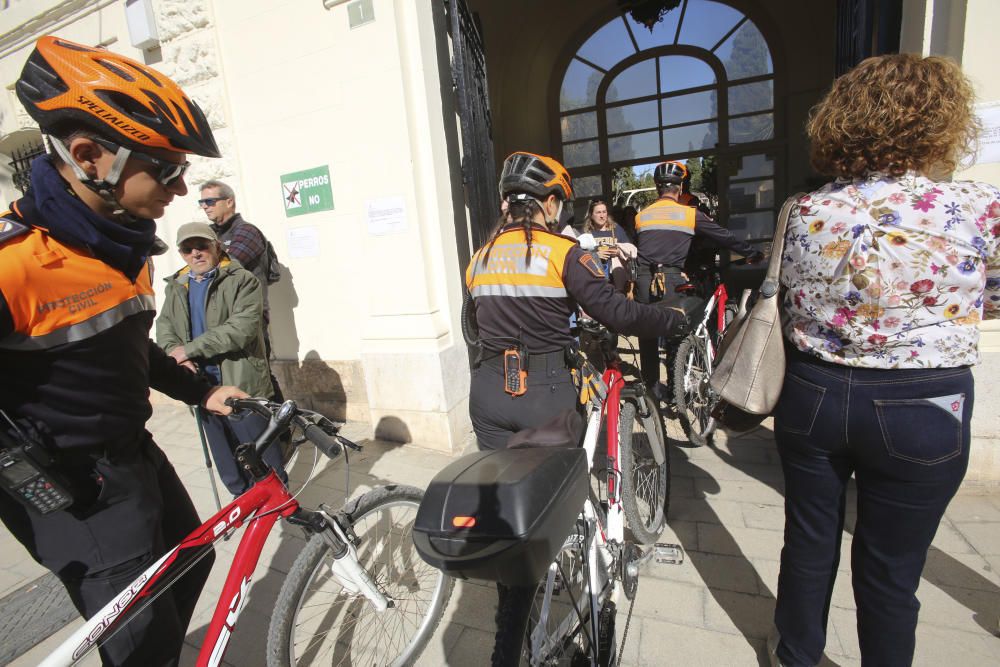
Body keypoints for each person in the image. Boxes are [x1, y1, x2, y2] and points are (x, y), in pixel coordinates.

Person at [0, 36, 245, 665]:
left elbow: (132, 351)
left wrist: (201, 389)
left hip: (135, 456)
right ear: (89, 156)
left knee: (194, 561)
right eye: (166, 168)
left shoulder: (123, 248)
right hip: (74, 489)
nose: (184, 187)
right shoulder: (14, 266)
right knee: (141, 643)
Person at [770, 54, 1000, 667]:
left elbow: (791, 298)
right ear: (941, 125)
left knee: (808, 544)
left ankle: (796, 656)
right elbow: (992, 294)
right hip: (924, 402)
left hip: (813, 392)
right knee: (891, 570)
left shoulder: (805, 210)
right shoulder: (979, 208)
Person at [466, 151, 688, 450]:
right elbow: (618, 313)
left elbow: (472, 325)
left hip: (487, 392)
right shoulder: (563, 253)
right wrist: (673, 317)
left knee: (502, 486)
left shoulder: (480, 257)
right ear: (549, 203)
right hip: (544, 397)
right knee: (558, 489)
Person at [156, 223, 287, 496]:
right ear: (181, 253)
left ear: (216, 246)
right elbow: (165, 327)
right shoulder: (177, 286)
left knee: (263, 456)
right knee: (228, 462)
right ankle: (243, 504)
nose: (196, 254)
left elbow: (242, 329)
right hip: (201, 386)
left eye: (202, 246)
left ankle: (279, 505)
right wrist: (175, 355)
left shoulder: (242, 280)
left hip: (242, 383)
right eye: (187, 249)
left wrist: (189, 350)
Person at [633, 160, 762, 393]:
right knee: (677, 333)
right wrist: (752, 253)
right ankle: (676, 390)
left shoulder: (642, 216)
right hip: (672, 280)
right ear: (680, 188)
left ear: (656, 187)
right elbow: (725, 237)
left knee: (648, 338)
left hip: (644, 281)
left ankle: (650, 391)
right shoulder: (689, 215)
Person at [581, 198, 635, 292]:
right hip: (596, 283)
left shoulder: (616, 229)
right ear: (591, 215)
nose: (602, 216)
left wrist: (619, 252)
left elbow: (630, 250)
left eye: (604, 212)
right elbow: (579, 256)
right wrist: (595, 255)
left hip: (617, 281)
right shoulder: (586, 233)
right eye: (598, 212)